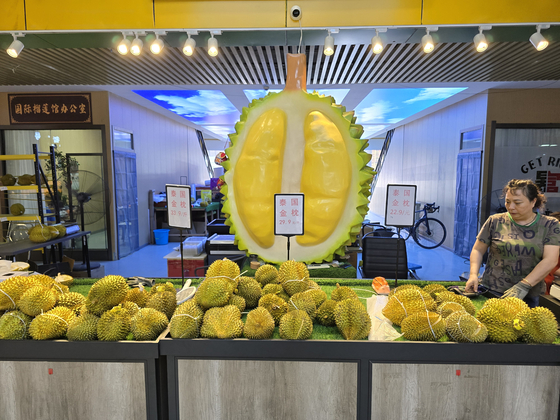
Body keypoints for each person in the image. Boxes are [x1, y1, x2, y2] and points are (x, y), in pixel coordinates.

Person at [465, 179, 560, 307]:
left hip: (529, 294)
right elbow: (478, 249)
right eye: (507, 201)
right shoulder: (495, 221)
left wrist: (524, 285)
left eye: (517, 202)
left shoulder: (550, 225)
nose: (511, 207)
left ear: (533, 202)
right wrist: (473, 274)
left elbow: (550, 260)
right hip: (493, 290)